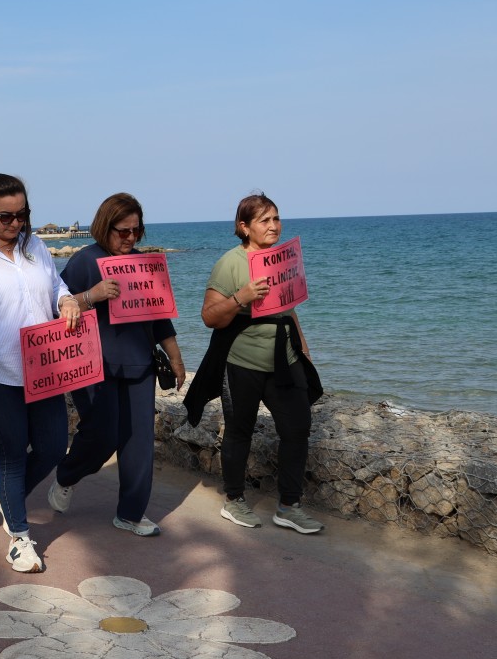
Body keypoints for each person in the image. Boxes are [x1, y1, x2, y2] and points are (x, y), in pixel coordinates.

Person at [0, 173, 80, 574]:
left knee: (54, 447)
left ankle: (6, 497)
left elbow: (56, 286)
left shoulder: (34, 246)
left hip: (44, 369)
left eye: (22, 215)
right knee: (12, 452)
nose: (15, 223)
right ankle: (19, 539)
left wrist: (67, 300)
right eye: (6, 216)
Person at [45, 193, 185, 536]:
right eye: (123, 231)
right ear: (105, 227)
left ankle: (131, 514)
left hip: (139, 363)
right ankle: (66, 475)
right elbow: (57, 307)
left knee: (139, 441)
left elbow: (159, 315)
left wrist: (176, 356)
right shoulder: (84, 260)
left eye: (137, 231)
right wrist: (91, 296)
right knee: (102, 434)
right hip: (93, 364)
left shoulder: (143, 263)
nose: (131, 238)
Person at [185, 192, 324, 534]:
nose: (274, 225)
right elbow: (209, 316)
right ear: (244, 227)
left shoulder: (281, 258)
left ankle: (289, 507)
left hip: (285, 358)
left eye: (276, 218)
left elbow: (288, 308)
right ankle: (234, 499)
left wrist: (304, 351)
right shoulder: (230, 263)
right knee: (239, 431)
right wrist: (241, 297)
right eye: (265, 220)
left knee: (297, 428)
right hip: (241, 361)